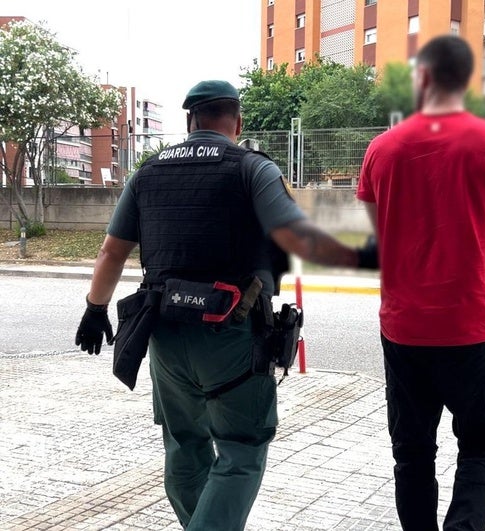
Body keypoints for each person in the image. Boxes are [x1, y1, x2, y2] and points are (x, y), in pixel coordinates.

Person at [74, 80, 377, 531]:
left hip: (164, 335)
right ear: (237, 121)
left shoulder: (148, 171)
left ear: (188, 120)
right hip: (232, 333)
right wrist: (367, 255)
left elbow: (111, 253)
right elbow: (296, 237)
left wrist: (95, 309)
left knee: (183, 444)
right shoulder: (252, 168)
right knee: (241, 450)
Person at [356, 35, 485, 530]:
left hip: (403, 328)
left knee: (411, 452)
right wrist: (468, 285)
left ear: (422, 78)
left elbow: (383, 236)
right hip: (472, 326)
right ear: (466, 80)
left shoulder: (381, 150)